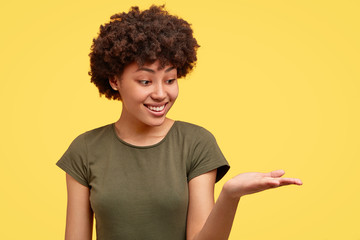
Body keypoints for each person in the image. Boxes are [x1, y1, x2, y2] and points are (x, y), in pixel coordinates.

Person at [56, 5, 302, 240]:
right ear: (114, 80)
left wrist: (230, 195)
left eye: (170, 79)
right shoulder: (85, 150)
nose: (161, 94)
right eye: (145, 81)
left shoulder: (196, 143)